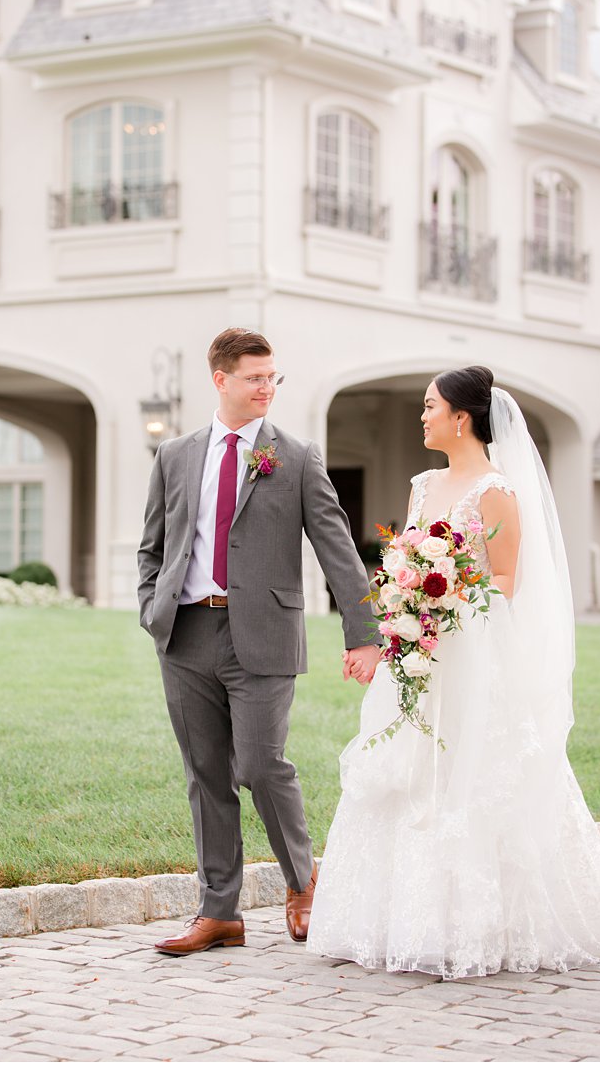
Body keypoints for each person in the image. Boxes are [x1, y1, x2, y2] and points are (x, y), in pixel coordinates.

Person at [309, 368, 600, 979]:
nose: (423, 415)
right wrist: (401, 603)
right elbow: (406, 555)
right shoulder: (422, 485)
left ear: (461, 418)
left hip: (470, 652)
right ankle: (388, 918)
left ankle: (479, 923)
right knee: (407, 767)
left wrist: (444, 605)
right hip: (418, 651)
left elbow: (506, 581)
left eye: (431, 406)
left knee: (475, 770)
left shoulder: (497, 490)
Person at [136, 327, 379, 955]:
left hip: (265, 635)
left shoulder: (296, 458)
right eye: (254, 377)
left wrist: (365, 632)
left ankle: (304, 882)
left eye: (272, 377)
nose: (266, 387)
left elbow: (338, 551)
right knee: (205, 773)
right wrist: (150, 607)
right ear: (221, 380)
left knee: (261, 764)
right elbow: (154, 544)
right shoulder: (176, 456)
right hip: (185, 634)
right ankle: (219, 912)